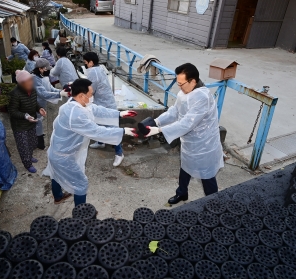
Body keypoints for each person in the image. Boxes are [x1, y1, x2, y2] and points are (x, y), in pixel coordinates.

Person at [42, 78, 138, 206]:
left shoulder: (74, 102)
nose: (92, 97)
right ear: (81, 95)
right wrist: (123, 131)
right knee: (81, 183)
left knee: (57, 174)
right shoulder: (75, 115)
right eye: (91, 94)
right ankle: (81, 216)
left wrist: (119, 114)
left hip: (60, 150)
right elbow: (97, 132)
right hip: (63, 157)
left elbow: (96, 110)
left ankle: (58, 197)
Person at [145, 63, 223, 205]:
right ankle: (182, 193)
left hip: (204, 143)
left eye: (182, 84)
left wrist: (160, 130)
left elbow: (187, 123)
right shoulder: (185, 92)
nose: (179, 87)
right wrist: (156, 122)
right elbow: (175, 111)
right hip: (189, 141)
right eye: (178, 83)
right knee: (185, 167)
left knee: (207, 175)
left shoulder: (202, 97)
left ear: (193, 81)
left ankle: (214, 204)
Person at [83, 52, 124, 167]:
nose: (84, 64)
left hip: (105, 103)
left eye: (85, 62)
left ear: (91, 62)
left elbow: (91, 89)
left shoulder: (92, 72)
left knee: (111, 128)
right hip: (103, 100)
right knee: (100, 124)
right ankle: (100, 142)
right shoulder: (99, 68)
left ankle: (119, 153)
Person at [8, 70, 46, 173]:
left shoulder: (32, 90)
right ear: (21, 83)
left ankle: (29, 156)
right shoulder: (14, 94)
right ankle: (27, 164)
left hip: (31, 122)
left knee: (32, 142)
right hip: (20, 125)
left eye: (31, 80)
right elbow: (12, 111)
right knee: (23, 146)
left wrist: (39, 109)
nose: (31, 82)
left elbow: (35, 102)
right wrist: (25, 116)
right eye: (28, 81)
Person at [33, 58, 69, 149]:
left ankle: (38, 135)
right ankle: (39, 142)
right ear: (40, 69)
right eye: (47, 69)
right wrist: (59, 94)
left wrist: (60, 91)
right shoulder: (34, 79)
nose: (48, 71)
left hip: (42, 103)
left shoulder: (43, 76)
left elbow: (50, 88)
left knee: (39, 121)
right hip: (36, 104)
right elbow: (43, 93)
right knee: (37, 122)